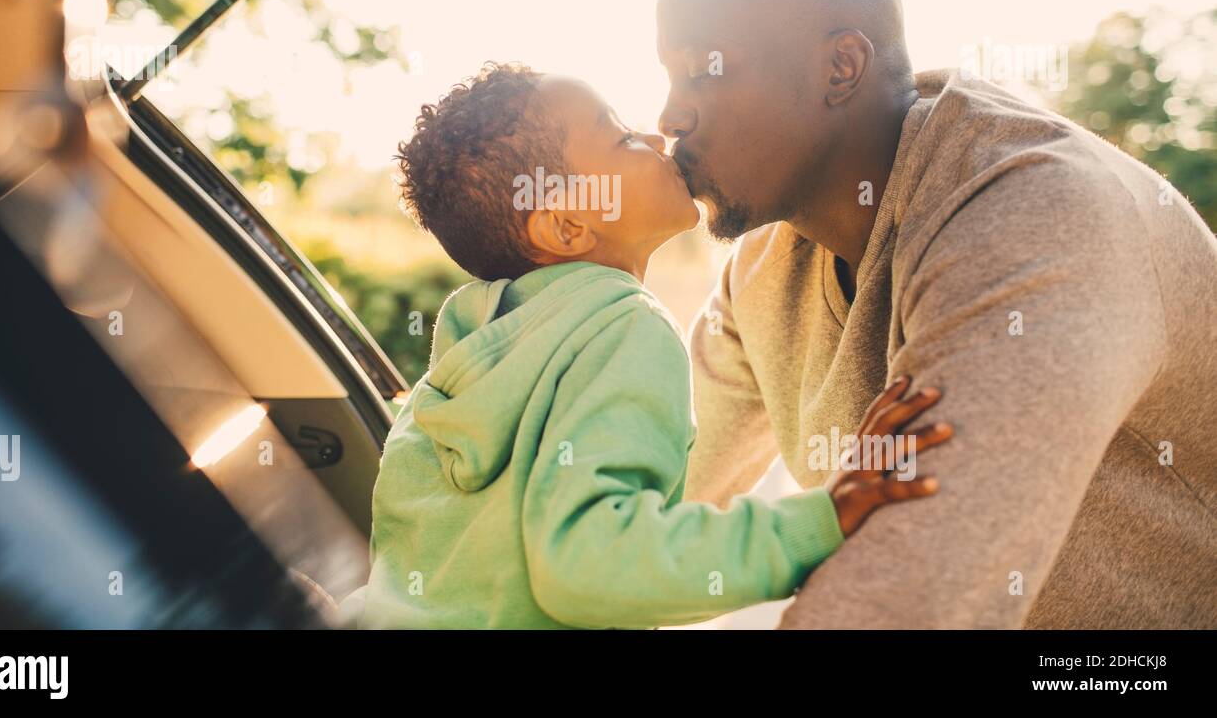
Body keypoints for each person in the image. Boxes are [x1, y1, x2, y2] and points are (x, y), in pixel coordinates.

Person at [656, 0, 1217, 628]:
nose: (670, 114)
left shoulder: (1035, 210)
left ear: (840, 67)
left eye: (702, 70)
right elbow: (653, 505)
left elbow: (905, 600)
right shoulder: (765, 264)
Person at [357, 62, 950, 629]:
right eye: (619, 137)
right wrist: (821, 520)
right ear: (567, 225)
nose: (655, 135)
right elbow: (588, 564)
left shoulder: (467, 359)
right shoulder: (620, 326)